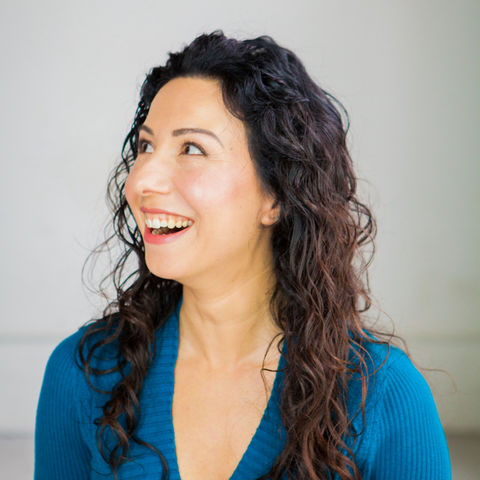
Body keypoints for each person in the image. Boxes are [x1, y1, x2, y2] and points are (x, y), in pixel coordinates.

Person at [34, 30, 452, 480]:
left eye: (192, 149)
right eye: (145, 146)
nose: (142, 181)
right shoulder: (82, 374)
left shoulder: (383, 395)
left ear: (275, 195)